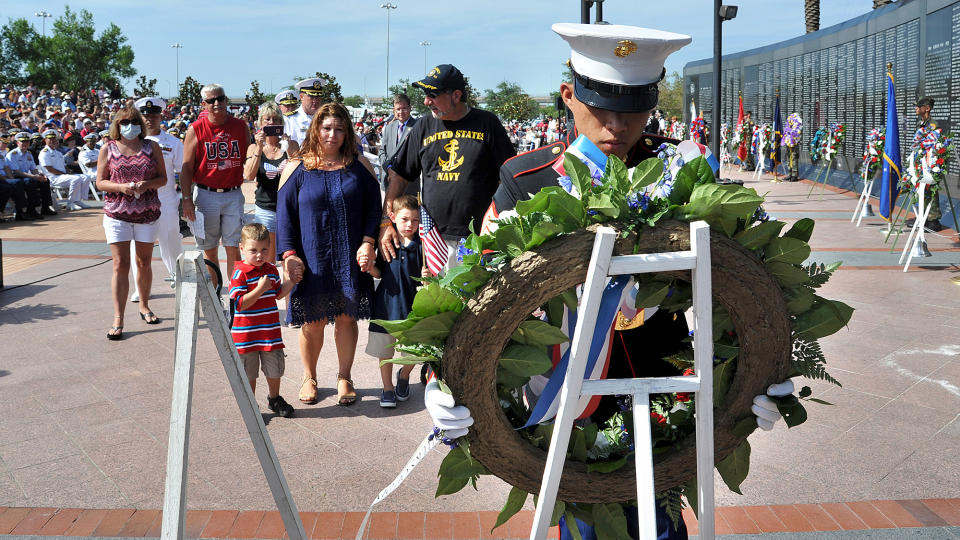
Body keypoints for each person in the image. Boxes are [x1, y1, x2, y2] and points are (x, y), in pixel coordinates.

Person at [461, 22, 794, 540]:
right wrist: (454, 381)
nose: (617, 124)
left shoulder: (682, 175)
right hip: (566, 388)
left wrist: (761, 366)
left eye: (635, 106)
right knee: (583, 522)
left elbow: (745, 280)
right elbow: (481, 293)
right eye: (600, 104)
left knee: (663, 524)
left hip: (666, 381)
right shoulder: (527, 180)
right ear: (569, 96)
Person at [276, 102, 381, 406]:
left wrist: (368, 241)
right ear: (316, 130)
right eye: (326, 128)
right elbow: (285, 216)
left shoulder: (360, 167)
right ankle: (309, 377)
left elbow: (374, 209)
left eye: (338, 128)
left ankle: (344, 377)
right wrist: (289, 255)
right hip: (312, 259)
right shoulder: (298, 168)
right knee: (313, 321)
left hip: (351, 255)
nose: (332, 134)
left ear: (347, 131)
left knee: (348, 318)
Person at [379, 64, 516, 270]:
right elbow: (399, 176)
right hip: (434, 238)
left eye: (433, 94)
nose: (426, 101)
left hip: (479, 237)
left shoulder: (487, 123)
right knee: (439, 300)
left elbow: (507, 177)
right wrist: (385, 222)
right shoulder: (423, 127)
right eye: (425, 95)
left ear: (456, 95)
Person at [95, 105, 167, 340]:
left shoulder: (151, 147)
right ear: (117, 125)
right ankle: (118, 317)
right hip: (117, 214)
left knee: (144, 262)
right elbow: (100, 182)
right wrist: (121, 188)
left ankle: (144, 305)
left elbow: (163, 179)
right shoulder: (108, 148)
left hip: (147, 213)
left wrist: (146, 185)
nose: (129, 126)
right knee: (120, 265)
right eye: (124, 122)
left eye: (133, 121)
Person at [179, 84, 250, 290]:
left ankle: (236, 296)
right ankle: (216, 295)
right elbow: (186, 168)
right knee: (209, 250)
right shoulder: (196, 129)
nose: (217, 103)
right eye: (211, 100)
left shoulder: (239, 126)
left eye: (220, 98)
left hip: (232, 193)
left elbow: (249, 157)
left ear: (226, 100)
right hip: (206, 194)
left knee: (233, 247)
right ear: (204, 104)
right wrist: (186, 200)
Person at [230, 223, 300, 418]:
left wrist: (292, 281)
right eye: (253, 250)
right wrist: (259, 289)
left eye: (264, 250)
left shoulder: (270, 270)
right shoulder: (239, 273)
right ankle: (251, 405)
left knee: (274, 369)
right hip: (246, 336)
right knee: (249, 372)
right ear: (242, 248)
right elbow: (240, 304)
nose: (259, 255)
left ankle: (274, 398)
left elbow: (278, 294)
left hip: (269, 333)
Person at [363, 195, 424, 408]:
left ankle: (404, 375)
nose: (409, 224)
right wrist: (371, 268)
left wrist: (427, 274)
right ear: (393, 218)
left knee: (415, 352)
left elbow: (426, 275)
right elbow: (379, 272)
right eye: (405, 219)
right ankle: (387, 388)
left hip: (412, 307)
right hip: (386, 306)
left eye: (415, 220)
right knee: (385, 352)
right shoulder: (387, 242)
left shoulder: (422, 246)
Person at [129, 97, 184, 302]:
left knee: (171, 240)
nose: (150, 119)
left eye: (154, 115)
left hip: (166, 199)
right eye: (145, 115)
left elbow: (183, 171)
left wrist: (186, 198)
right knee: (139, 245)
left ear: (161, 116)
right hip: (139, 202)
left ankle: (178, 278)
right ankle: (141, 287)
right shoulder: (131, 142)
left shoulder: (173, 142)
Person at [243, 101, 300, 263]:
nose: (271, 123)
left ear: (281, 123)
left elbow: (298, 174)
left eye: (275, 120)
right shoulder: (253, 148)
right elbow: (249, 175)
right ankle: (269, 288)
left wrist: (287, 146)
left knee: (290, 256)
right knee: (267, 259)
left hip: (288, 208)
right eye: (267, 120)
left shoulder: (292, 145)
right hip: (265, 208)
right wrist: (259, 148)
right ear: (260, 124)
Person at [38, 129, 91, 210]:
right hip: (53, 178)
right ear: (45, 140)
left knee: (86, 177)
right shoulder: (44, 153)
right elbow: (49, 169)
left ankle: (78, 200)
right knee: (76, 179)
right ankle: (71, 203)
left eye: (54, 138)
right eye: (50, 139)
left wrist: (68, 172)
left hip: (61, 176)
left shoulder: (57, 152)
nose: (53, 140)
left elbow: (64, 165)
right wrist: (63, 173)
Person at [912, 96, 943, 231]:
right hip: (921, 161)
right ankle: (924, 217)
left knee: (930, 189)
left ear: (927, 109)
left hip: (930, 162)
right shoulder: (921, 124)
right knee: (921, 188)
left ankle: (933, 220)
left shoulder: (933, 125)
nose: (916, 108)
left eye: (919, 106)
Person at [377, 94, 418, 192]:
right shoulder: (388, 128)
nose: (401, 112)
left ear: (410, 108)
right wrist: (389, 168)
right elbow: (382, 152)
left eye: (404, 108)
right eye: (398, 109)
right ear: (394, 110)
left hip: (408, 184)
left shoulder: (418, 127)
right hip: (388, 182)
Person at [5, 131, 50, 218]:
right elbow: (17, 172)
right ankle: (27, 210)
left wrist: (39, 175)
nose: (25, 144)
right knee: (30, 182)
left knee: (45, 181)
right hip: (16, 177)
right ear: (17, 143)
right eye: (23, 142)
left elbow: (33, 169)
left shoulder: (29, 154)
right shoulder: (12, 154)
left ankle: (45, 207)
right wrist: (34, 176)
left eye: (27, 142)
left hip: (28, 176)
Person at [283, 78, 326, 146]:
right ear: (301, 97)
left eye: (318, 96)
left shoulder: (326, 118)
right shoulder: (289, 120)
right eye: (311, 96)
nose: (315, 101)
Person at [782, 113, 802, 182]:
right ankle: (790, 173)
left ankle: (794, 175)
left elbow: (796, 133)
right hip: (788, 142)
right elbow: (786, 130)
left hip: (794, 143)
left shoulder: (798, 124)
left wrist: (790, 132)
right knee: (789, 158)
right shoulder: (789, 125)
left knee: (793, 158)